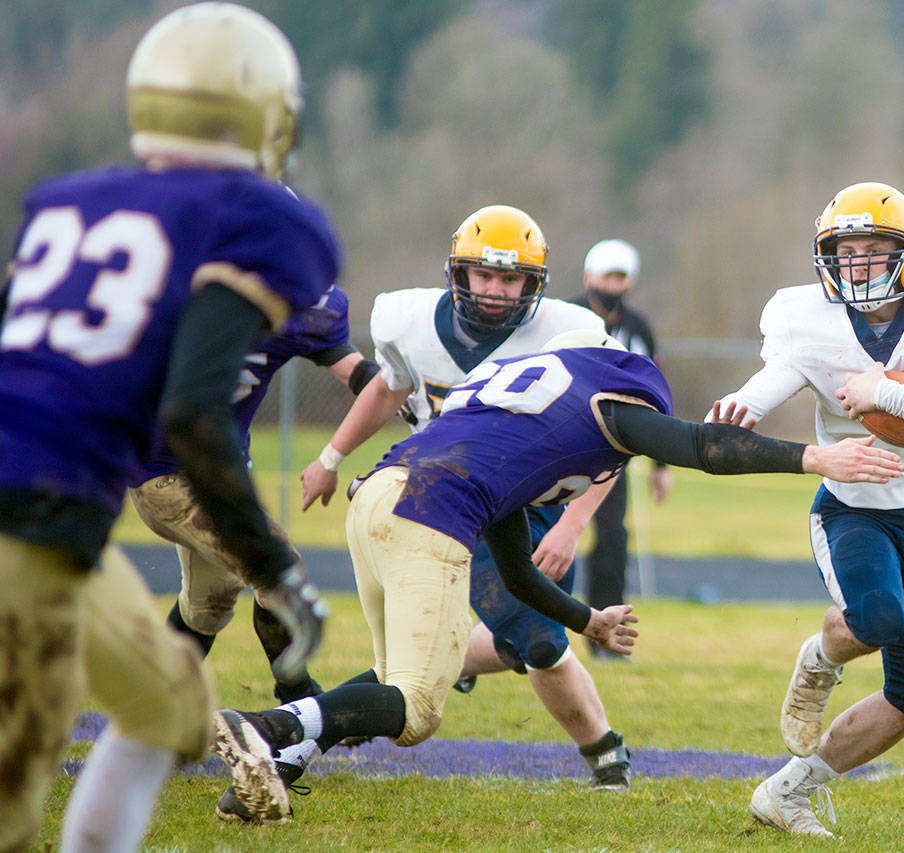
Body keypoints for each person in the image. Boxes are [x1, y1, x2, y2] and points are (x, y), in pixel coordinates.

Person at [211, 330, 904, 823]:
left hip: (376, 499)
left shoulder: (514, 417)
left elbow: (515, 569)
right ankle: (264, 727)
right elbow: (704, 444)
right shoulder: (612, 403)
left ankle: (269, 770)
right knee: (417, 710)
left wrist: (589, 621)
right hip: (431, 513)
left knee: (399, 682)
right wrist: (816, 458)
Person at [0, 2, 333, 848]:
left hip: (64, 529)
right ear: (267, 113)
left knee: (170, 706)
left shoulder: (63, 202)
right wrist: (275, 569)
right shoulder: (265, 221)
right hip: (27, 523)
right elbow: (192, 411)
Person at [294, 205, 636, 796]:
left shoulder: (567, 330)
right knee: (534, 641)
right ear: (460, 273)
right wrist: (329, 458)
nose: (497, 290)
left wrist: (571, 525)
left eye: (512, 279)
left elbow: (612, 435)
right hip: (448, 498)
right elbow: (387, 386)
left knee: (513, 643)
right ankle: (607, 756)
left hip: (534, 503)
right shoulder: (410, 322)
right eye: (485, 275)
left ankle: (321, 718)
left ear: (534, 284)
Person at [708, 182, 904, 837]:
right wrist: (743, 405)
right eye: (847, 250)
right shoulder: (804, 317)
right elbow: (774, 379)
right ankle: (820, 658)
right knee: (874, 616)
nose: (860, 264)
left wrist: (882, 393)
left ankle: (787, 791)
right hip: (854, 510)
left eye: (876, 250)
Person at [128, 283, 377, 706]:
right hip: (164, 475)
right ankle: (297, 698)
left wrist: (404, 393)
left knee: (210, 601)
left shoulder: (304, 304)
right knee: (279, 568)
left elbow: (355, 373)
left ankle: (151, 699)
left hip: (220, 478)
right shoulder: (186, 287)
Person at [568, 239, 671, 657]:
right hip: (563, 442)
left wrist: (659, 464)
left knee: (612, 538)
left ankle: (602, 635)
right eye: (607, 275)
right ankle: (531, 631)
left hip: (612, 449)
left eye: (620, 276)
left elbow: (654, 392)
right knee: (544, 535)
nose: (613, 284)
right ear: (589, 277)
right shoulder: (565, 316)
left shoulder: (638, 328)